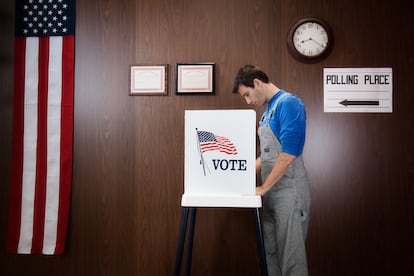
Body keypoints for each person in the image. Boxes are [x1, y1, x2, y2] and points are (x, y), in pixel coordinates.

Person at [232, 65, 311, 276]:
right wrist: (237, 173)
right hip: (272, 196)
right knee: (271, 257)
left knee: (291, 261)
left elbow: (289, 153)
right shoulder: (268, 112)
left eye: (247, 94)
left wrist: (263, 187)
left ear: (257, 82)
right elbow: (267, 157)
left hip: (289, 193)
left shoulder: (289, 103)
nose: (248, 101)